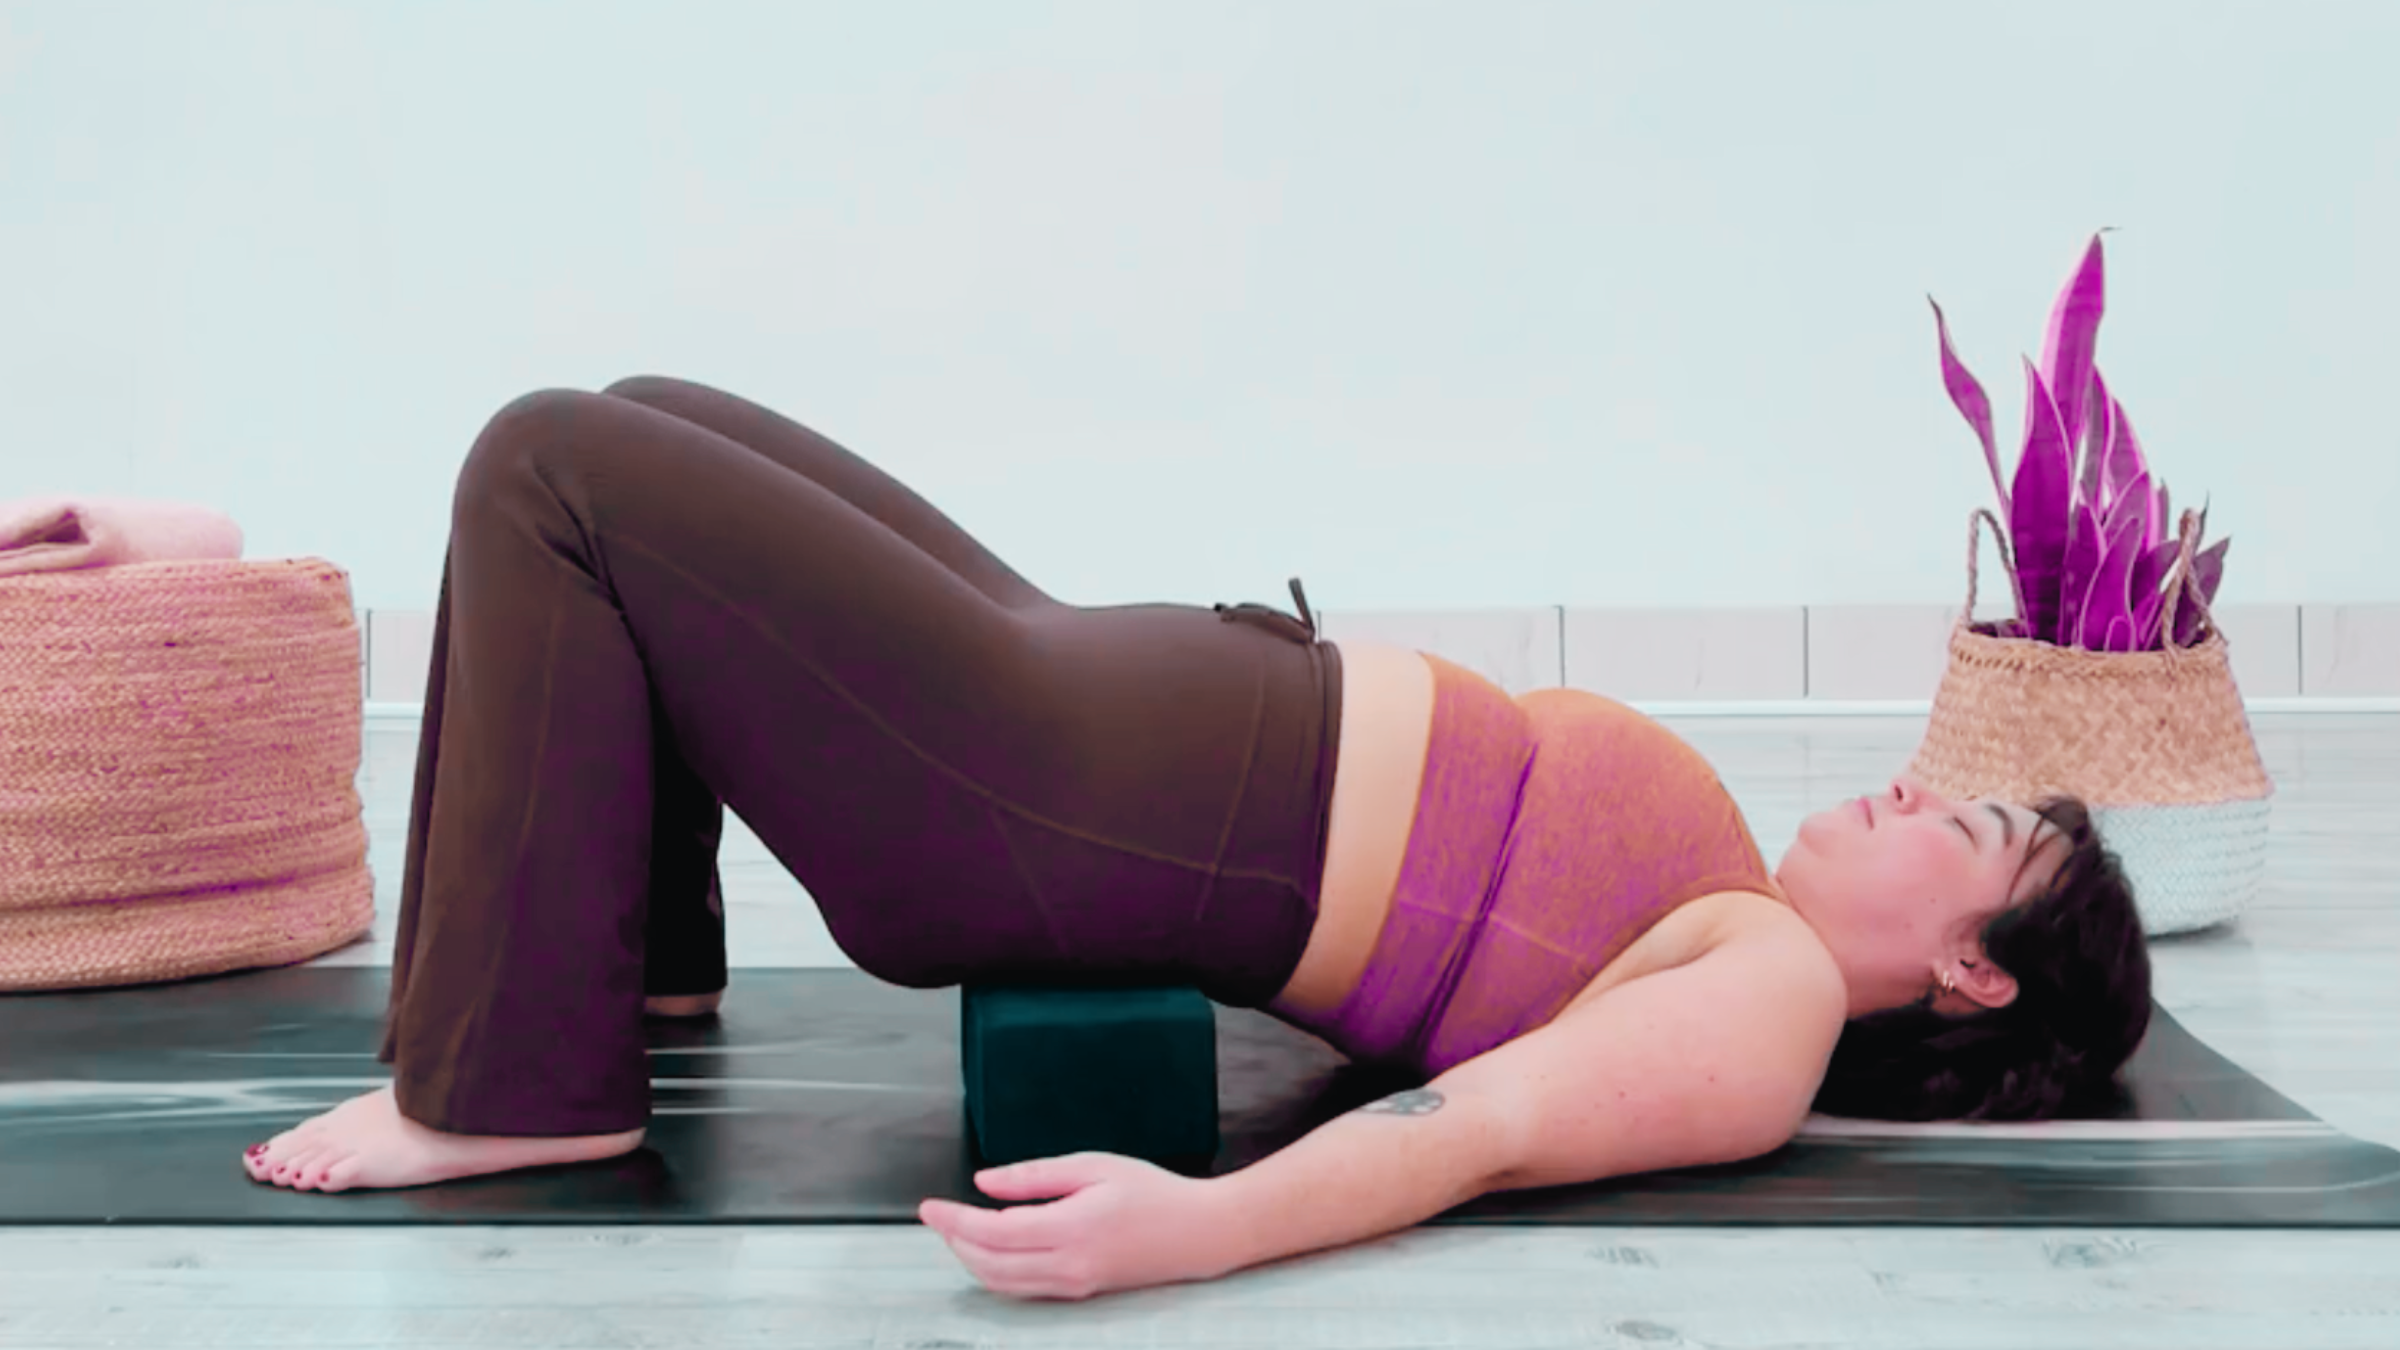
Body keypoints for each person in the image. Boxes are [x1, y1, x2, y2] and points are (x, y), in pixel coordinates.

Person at [240, 377, 2152, 1299]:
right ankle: (626, 966)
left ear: (1976, 962)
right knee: (639, 415)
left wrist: (1200, 1228)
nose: (1914, 784)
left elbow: (1473, 1127)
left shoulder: (1778, 1004)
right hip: (1062, 696)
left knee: (546, 463)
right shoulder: (1740, 900)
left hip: (1039, 794)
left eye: (1968, 825)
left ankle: (521, 1083)